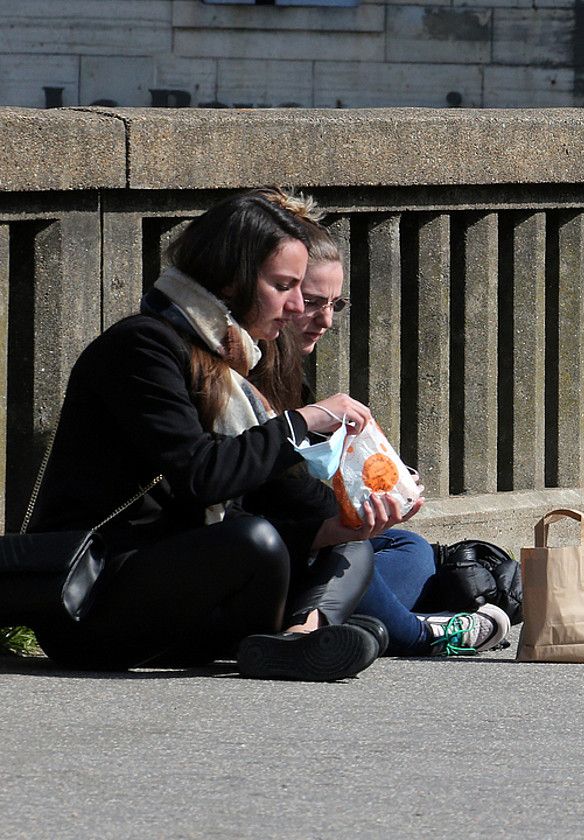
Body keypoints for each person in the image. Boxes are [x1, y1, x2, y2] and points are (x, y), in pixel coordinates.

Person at [26, 188, 396, 680]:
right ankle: (309, 633)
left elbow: (268, 488)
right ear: (231, 278)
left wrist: (352, 513)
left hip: (185, 578)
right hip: (93, 596)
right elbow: (201, 476)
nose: (293, 307)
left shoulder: (238, 360)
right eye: (284, 285)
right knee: (254, 540)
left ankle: (299, 637)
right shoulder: (142, 347)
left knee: (350, 545)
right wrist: (302, 422)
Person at [250, 204, 509, 657]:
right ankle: (417, 633)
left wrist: (372, 483)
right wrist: (342, 515)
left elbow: (304, 479)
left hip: (294, 543)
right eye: (310, 301)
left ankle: (346, 619)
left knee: (409, 547)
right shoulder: (243, 373)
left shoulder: (290, 370)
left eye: (336, 304)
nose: (325, 320)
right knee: (355, 551)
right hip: (266, 550)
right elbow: (268, 492)